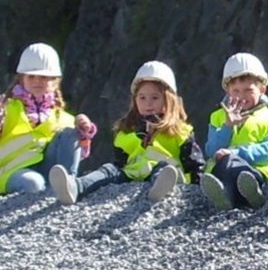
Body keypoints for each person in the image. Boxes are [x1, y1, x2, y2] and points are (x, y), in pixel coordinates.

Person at [49, 60, 205, 204]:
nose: (148, 103)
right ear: (135, 100)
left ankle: (161, 188)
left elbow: (195, 164)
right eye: (142, 98)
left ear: (168, 99)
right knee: (108, 169)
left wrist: (197, 188)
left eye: (155, 98)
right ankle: (76, 186)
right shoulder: (127, 129)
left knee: (164, 169)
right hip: (133, 173)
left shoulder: (180, 131)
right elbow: (120, 162)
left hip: (167, 172)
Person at [0, 42, 96, 195]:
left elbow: (81, 153)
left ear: (55, 81)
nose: (37, 81)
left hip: (49, 171)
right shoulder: (6, 107)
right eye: (31, 76)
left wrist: (83, 130)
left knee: (71, 132)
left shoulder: (64, 118)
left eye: (44, 77)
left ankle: (69, 185)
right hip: (10, 171)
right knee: (34, 183)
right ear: (21, 79)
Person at [201, 53, 268, 210]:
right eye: (236, 91)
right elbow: (211, 150)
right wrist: (227, 126)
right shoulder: (218, 117)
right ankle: (225, 196)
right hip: (224, 171)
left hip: (260, 173)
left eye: (248, 90)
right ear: (227, 91)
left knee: (238, 169)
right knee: (226, 166)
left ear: (262, 90)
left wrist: (235, 153)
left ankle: (252, 191)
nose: (241, 96)